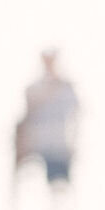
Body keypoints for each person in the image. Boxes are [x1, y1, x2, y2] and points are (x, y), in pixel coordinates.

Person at [15, 50, 79, 186]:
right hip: (36, 147)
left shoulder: (66, 88)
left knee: (59, 189)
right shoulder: (33, 88)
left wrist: (74, 145)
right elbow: (26, 118)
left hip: (59, 148)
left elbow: (76, 117)